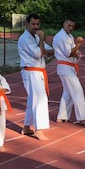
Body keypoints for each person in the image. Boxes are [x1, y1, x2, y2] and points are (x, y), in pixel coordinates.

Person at [17, 13, 53, 141]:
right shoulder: (25, 38)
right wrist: (42, 41)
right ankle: (39, 129)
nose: (36, 27)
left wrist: (43, 48)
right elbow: (38, 54)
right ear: (27, 23)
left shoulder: (35, 37)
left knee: (32, 100)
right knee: (40, 99)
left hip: (38, 71)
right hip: (31, 72)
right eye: (33, 24)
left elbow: (50, 51)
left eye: (37, 24)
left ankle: (27, 127)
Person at [52, 17, 85, 126]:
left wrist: (76, 50)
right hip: (65, 67)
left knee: (68, 92)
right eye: (69, 25)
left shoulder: (69, 36)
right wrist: (79, 44)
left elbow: (75, 52)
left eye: (73, 26)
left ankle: (62, 116)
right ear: (64, 24)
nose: (71, 28)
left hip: (69, 67)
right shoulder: (61, 37)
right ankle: (82, 117)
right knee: (77, 90)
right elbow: (69, 53)